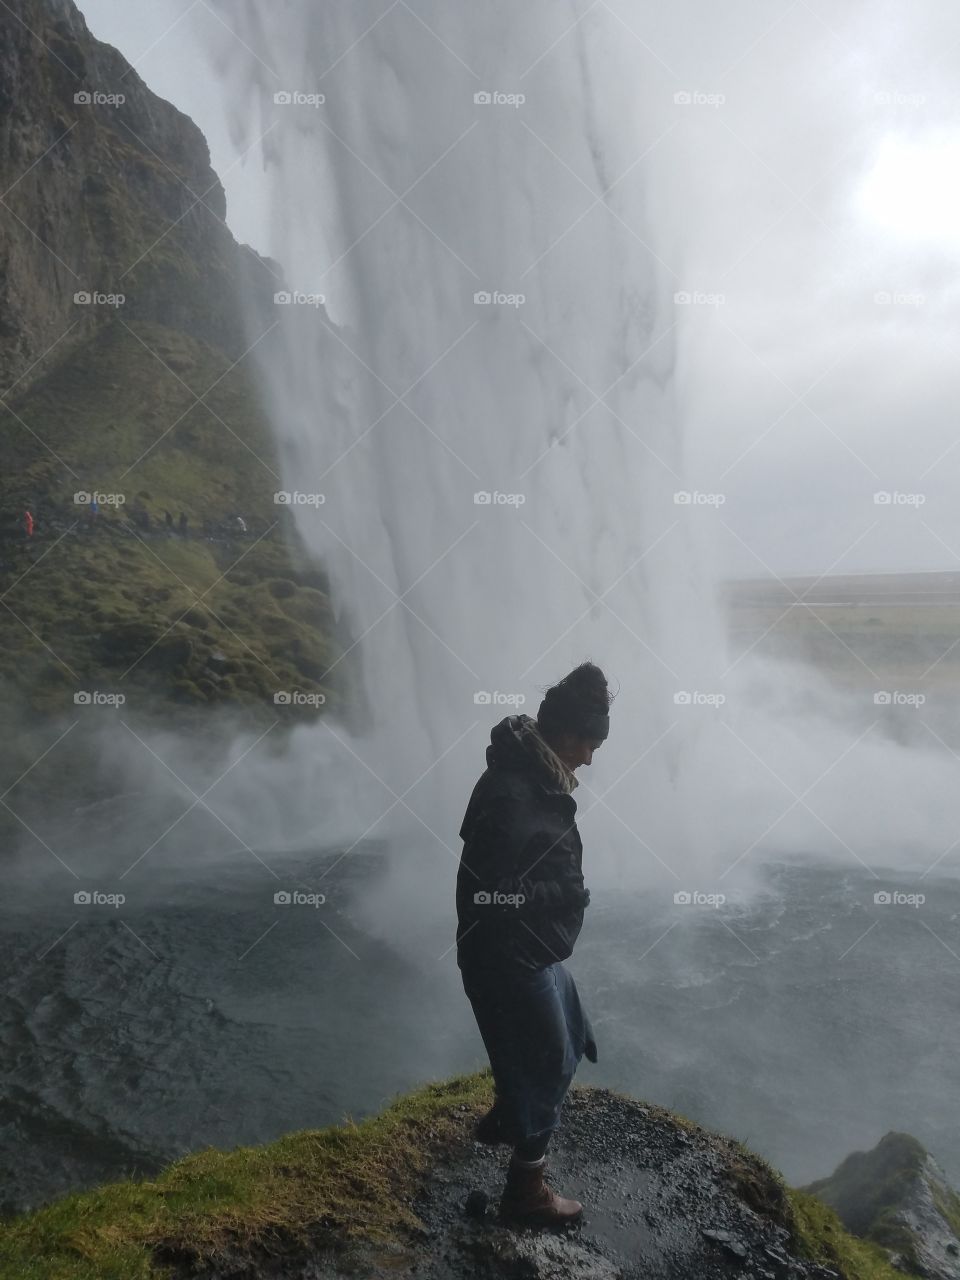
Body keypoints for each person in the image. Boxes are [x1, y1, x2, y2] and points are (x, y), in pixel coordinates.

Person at [455, 661, 614, 1228]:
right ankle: (527, 1190)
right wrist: (564, 894)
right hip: (507, 955)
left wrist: (557, 899)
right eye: (588, 743)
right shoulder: (515, 792)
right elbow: (490, 895)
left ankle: (508, 1113)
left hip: (531, 950)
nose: (591, 757)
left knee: (573, 1034)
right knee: (549, 1059)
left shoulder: (533, 774)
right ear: (564, 734)